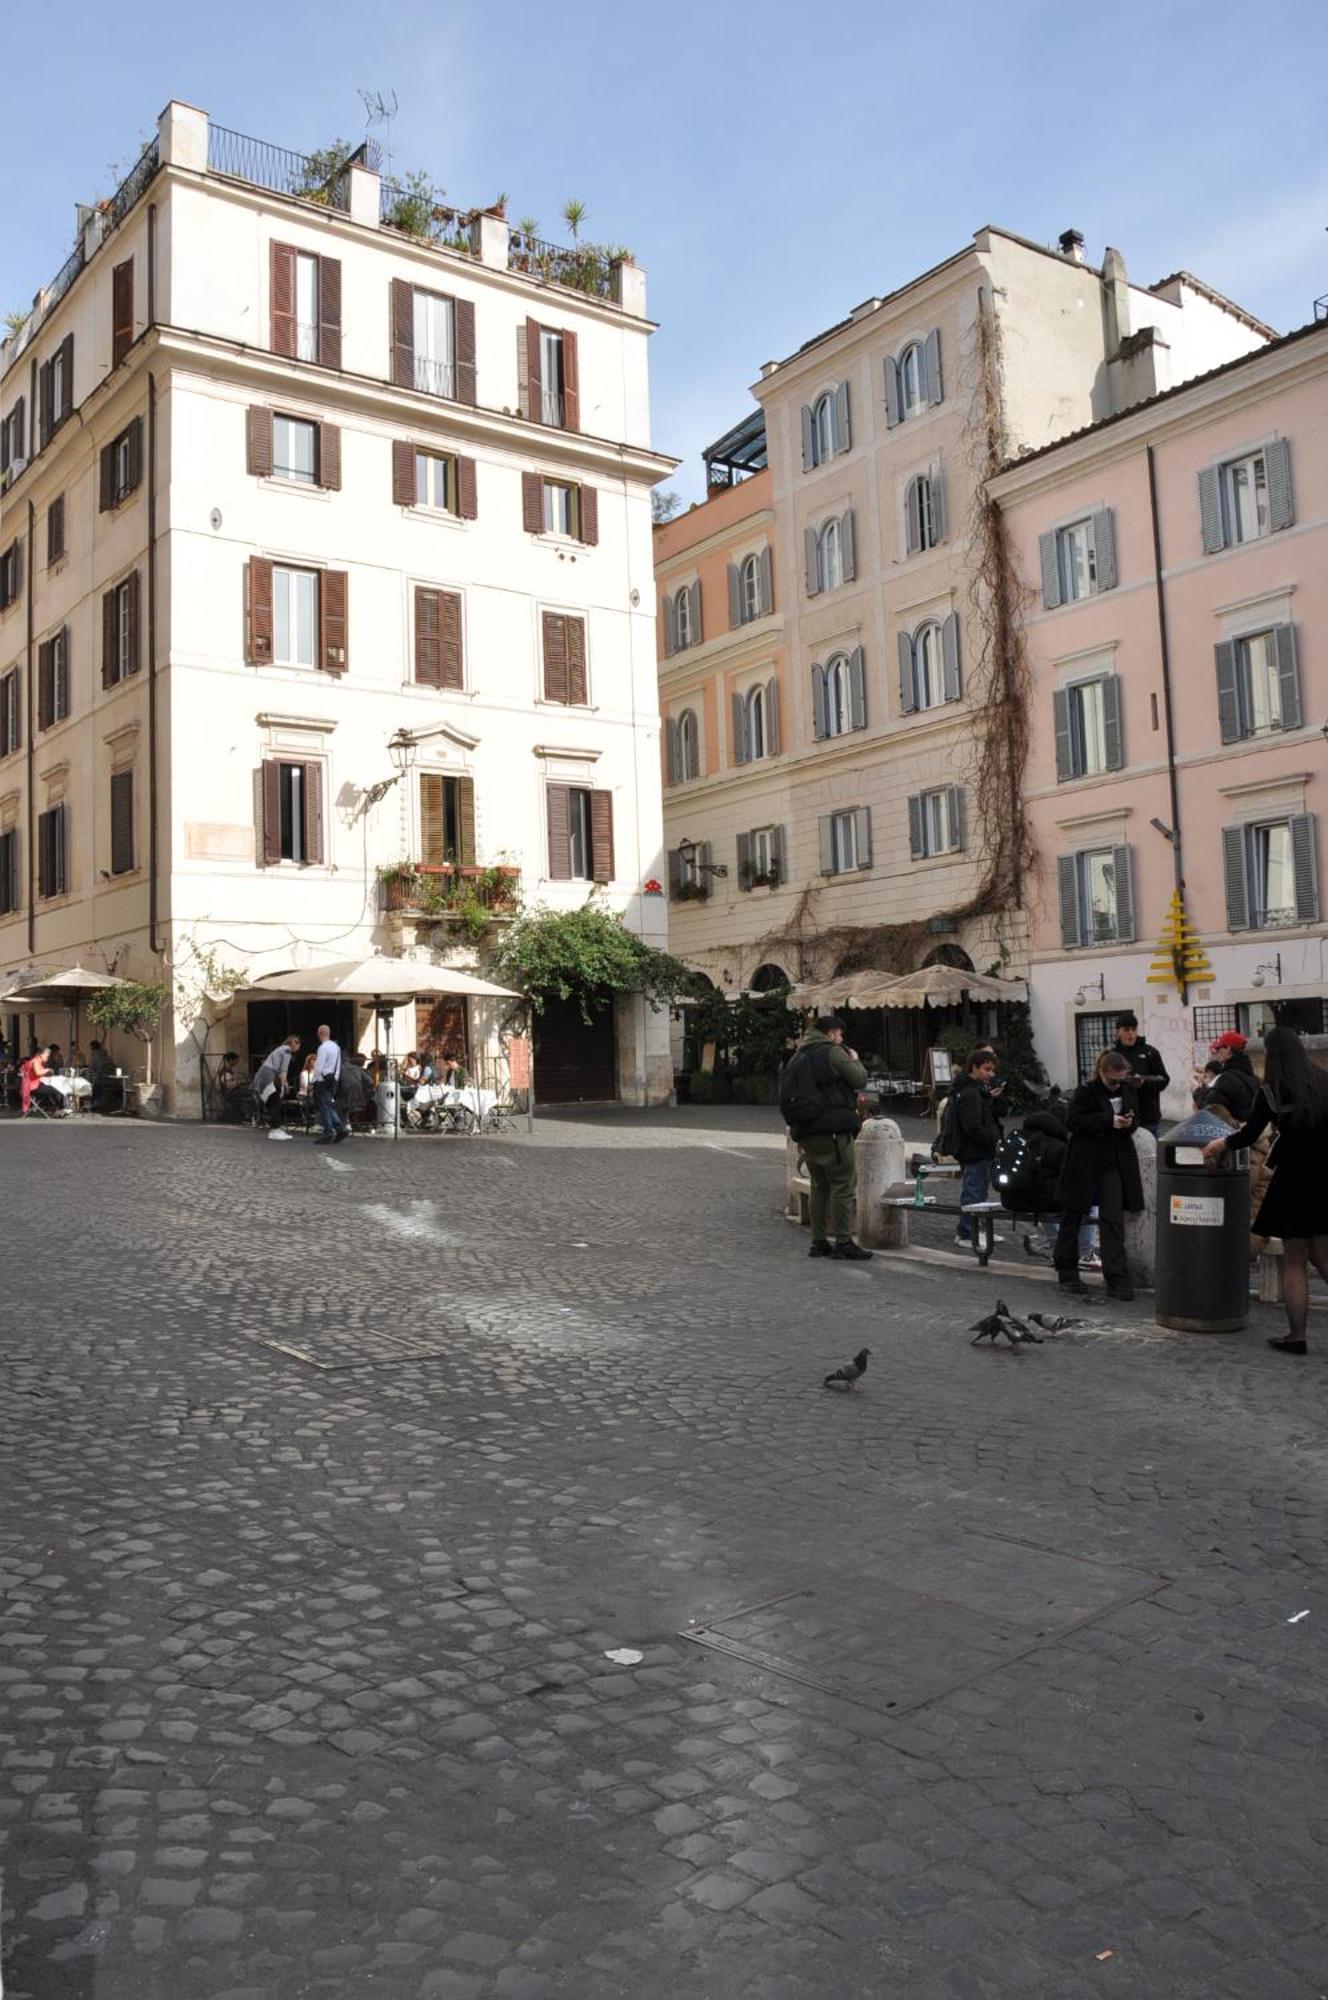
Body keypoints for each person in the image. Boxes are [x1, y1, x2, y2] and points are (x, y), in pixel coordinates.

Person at [1202, 1027, 1328, 1356]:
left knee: (1296, 1262)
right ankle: (1295, 1336)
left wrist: (1220, 1143)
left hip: (1293, 1181)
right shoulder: (1323, 1081)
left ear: (1272, 1054)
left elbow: (1248, 1135)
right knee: (1323, 1254)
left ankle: (1296, 1336)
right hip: (1324, 1177)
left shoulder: (1272, 1090)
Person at [780, 1014, 872, 1260]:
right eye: (840, 1034)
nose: (841, 1039)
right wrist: (856, 1061)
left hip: (808, 1130)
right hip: (833, 1129)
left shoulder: (798, 1056)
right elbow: (859, 1079)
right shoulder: (831, 1052)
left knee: (819, 1186)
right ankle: (843, 1242)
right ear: (831, 1032)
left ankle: (818, 1241)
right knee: (843, 1184)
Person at [1054, 1049, 1143, 1301]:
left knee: (1113, 1218)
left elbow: (1135, 1118)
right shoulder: (1086, 1092)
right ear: (1103, 1073)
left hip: (1114, 1161)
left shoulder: (1127, 1090)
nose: (1118, 1084)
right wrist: (1108, 1120)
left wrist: (1128, 1122)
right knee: (1073, 1215)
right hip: (1085, 1161)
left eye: (1122, 1079)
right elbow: (1073, 1121)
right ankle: (1067, 1269)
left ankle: (1115, 1275)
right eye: (1114, 1079)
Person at [950, 1051, 1005, 1249]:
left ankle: (979, 1229)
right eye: (986, 1069)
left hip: (980, 1150)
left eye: (992, 1070)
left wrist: (991, 1098)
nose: (990, 1074)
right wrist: (993, 1140)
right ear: (974, 1067)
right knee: (974, 1191)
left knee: (980, 1192)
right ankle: (966, 1232)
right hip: (975, 1150)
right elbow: (973, 1126)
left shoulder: (976, 1091)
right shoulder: (970, 1093)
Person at [1111, 1011, 1169, 1134]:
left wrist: (1144, 1083)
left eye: (1133, 1029)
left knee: (1150, 1152)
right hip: (1122, 1117)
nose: (1131, 1033)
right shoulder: (1112, 1056)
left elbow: (1164, 1079)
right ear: (1118, 1032)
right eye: (1126, 1029)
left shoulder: (1150, 1052)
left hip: (1148, 1118)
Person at [311, 1024, 350, 1144]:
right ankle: (339, 1129)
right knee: (328, 1105)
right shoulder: (336, 1047)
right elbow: (337, 1064)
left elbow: (319, 1066)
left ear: (320, 1033)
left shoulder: (323, 1048)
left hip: (322, 1080)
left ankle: (329, 1132)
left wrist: (313, 1081)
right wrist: (336, 1077)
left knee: (323, 1107)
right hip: (333, 1080)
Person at [252, 1034, 301, 1128]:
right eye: (298, 1044)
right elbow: (283, 1070)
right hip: (267, 1075)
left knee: (272, 1099)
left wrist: (284, 1083)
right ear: (294, 1043)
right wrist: (283, 1087)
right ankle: (275, 1124)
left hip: (263, 1074)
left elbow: (280, 1071)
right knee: (275, 1100)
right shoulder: (287, 1051)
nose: (299, 1047)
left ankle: (269, 1120)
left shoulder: (280, 1049)